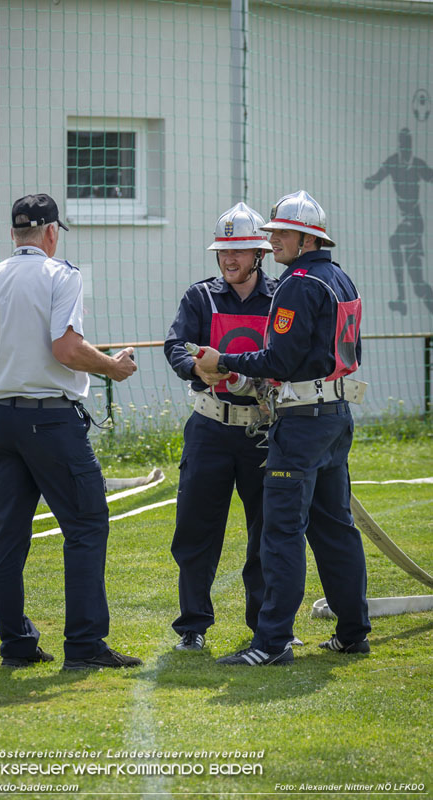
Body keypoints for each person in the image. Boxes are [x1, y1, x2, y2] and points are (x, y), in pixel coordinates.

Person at [0, 193, 143, 671]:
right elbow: (65, 348)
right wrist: (112, 369)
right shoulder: (63, 275)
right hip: (52, 420)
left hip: (4, 423)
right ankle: (84, 646)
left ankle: (16, 645)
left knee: (9, 535)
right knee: (86, 525)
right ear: (52, 233)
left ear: (15, 233)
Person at [195, 190, 371, 666]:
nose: (272, 241)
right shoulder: (341, 279)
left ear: (306, 238)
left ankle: (271, 643)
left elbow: (279, 359)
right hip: (335, 416)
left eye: (280, 234)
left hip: (302, 422)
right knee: (336, 528)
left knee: (281, 532)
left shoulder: (298, 283)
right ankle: (353, 633)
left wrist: (223, 359)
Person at [164, 202, 277, 651]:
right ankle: (192, 627)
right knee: (196, 529)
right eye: (224, 251)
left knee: (267, 532)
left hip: (264, 430)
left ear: (259, 254)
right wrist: (195, 371)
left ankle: (264, 627)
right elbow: (176, 345)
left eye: (241, 250)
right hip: (210, 427)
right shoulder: (200, 297)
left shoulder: (282, 296)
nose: (230, 259)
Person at [364, 127, 433, 315]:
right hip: (406, 219)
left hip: (415, 221)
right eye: (403, 146)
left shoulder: (417, 165)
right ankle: (404, 298)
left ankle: (401, 298)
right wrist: (371, 181)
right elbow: (378, 176)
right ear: (400, 147)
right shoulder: (393, 162)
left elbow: (429, 175)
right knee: (419, 285)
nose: (405, 150)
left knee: (394, 241)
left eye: (408, 146)